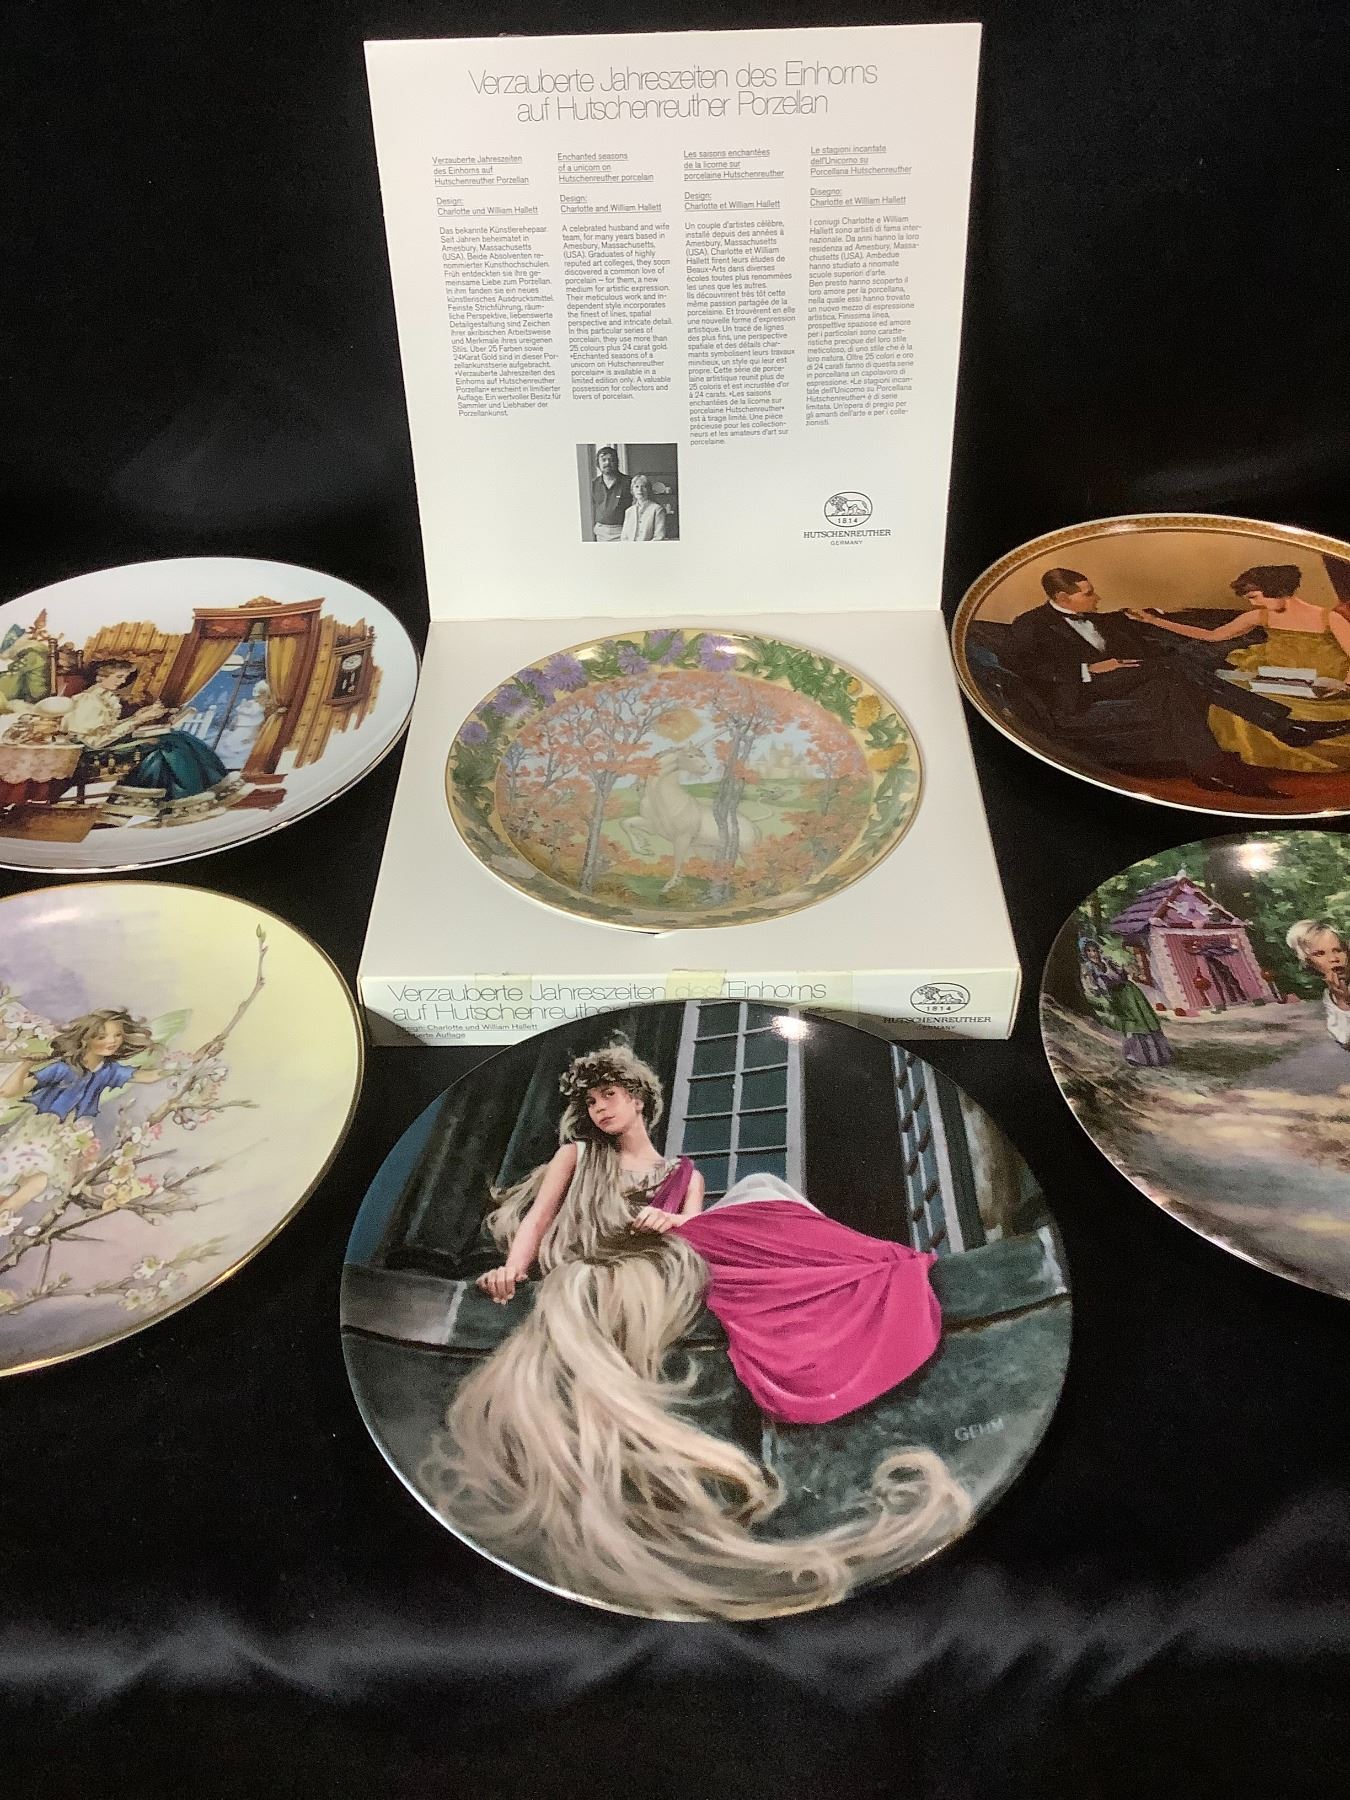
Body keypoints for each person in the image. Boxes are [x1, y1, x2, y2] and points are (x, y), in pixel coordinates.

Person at [422, 1040, 969, 1621]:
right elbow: (540, 1217)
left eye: (609, 1095)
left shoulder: (685, 1174)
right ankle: (853, 1268)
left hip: (676, 1255)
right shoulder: (578, 1155)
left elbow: (691, 1228)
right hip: (618, 1260)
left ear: (637, 1098)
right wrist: (513, 1268)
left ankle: (863, 1265)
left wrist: (674, 1217)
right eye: (591, 1102)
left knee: (764, 1186)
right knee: (760, 1199)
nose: (600, 1109)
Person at [1006, 567, 1350, 797]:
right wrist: (1089, 669)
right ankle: (1284, 725)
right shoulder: (1029, 624)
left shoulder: (1101, 618)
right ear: (1063, 599)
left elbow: (1133, 629)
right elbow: (1025, 666)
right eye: (1088, 594)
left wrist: (1153, 618)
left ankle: (1209, 770)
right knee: (1172, 668)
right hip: (1083, 686)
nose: (1096, 598)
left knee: (1174, 686)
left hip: (1130, 677)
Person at [1127, 564, 1350, 774]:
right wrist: (1154, 621)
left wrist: (1345, 685)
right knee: (1230, 699)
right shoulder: (1260, 615)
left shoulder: (1328, 617)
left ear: (1276, 590)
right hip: (1282, 676)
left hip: (1329, 678)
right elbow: (1213, 636)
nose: (1253, 604)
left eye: (1254, 596)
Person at [0, 1008, 170, 1215]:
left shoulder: (108, 1071)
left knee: (36, 1183)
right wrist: (26, 1064)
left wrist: (186, 1065)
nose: (112, 1041)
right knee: (18, 1181)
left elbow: (149, 1076)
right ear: (85, 1039)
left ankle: (4, 1218)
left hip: (71, 1139)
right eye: (102, 1036)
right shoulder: (63, 1069)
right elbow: (8, 1091)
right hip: (42, 1132)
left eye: (117, 1035)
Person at [57, 660, 241, 816]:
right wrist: (137, 720)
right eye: (119, 677)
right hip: (95, 751)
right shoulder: (87, 700)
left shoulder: (103, 697)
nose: (122, 682)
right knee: (170, 745)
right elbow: (95, 740)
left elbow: (107, 727)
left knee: (179, 736)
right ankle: (187, 800)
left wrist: (139, 716)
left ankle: (212, 789)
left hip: (108, 743)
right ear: (100, 677)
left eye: (124, 677)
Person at [1079, 938, 1172, 1065]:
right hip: (1116, 998)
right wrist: (1103, 995)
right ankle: (1137, 1057)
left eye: (1094, 950)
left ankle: (1159, 1056)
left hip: (1130, 994)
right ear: (1085, 954)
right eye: (1089, 951)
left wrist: (1125, 970)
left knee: (1144, 1022)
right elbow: (1093, 988)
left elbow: (1123, 973)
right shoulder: (1089, 969)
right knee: (1131, 1026)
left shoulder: (1108, 961)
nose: (1093, 954)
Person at [1286, 919, 1350, 1049]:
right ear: (1309, 962)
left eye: (1338, 950)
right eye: (1320, 954)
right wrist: (1342, 1004)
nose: (1333, 959)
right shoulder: (1331, 995)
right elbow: (1344, 1039)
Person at [590, 445, 631, 543]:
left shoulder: (628, 482)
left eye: (611, 460)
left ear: (617, 462)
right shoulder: (593, 484)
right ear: (598, 463)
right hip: (600, 533)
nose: (607, 463)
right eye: (603, 460)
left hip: (623, 531)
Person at [619, 472, 668, 541]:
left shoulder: (657, 509)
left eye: (644, 487)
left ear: (648, 490)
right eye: (636, 486)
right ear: (632, 490)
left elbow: (659, 536)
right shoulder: (629, 511)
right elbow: (624, 536)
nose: (640, 490)